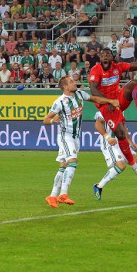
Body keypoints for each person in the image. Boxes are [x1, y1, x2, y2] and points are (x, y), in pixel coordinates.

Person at [42, 76, 120, 208]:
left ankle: (52, 196)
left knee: (63, 165)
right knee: (73, 161)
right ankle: (63, 194)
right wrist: (52, 121)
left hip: (75, 136)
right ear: (65, 87)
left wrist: (110, 101)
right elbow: (45, 120)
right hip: (65, 136)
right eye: (72, 82)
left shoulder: (79, 94)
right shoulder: (60, 102)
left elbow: (95, 99)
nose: (75, 83)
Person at [88, 42, 137, 165]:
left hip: (117, 103)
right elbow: (93, 89)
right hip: (106, 106)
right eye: (103, 55)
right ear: (100, 58)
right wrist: (109, 102)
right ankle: (122, 160)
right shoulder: (96, 70)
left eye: (108, 54)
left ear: (112, 58)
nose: (105, 56)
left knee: (134, 82)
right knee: (120, 135)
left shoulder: (118, 67)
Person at [91, 111, 137, 200]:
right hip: (110, 144)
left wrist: (130, 141)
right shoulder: (105, 109)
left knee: (136, 161)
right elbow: (97, 124)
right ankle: (99, 186)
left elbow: (123, 127)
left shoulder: (120, 110)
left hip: (121, 142)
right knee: (121, 166)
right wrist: (107, 137)